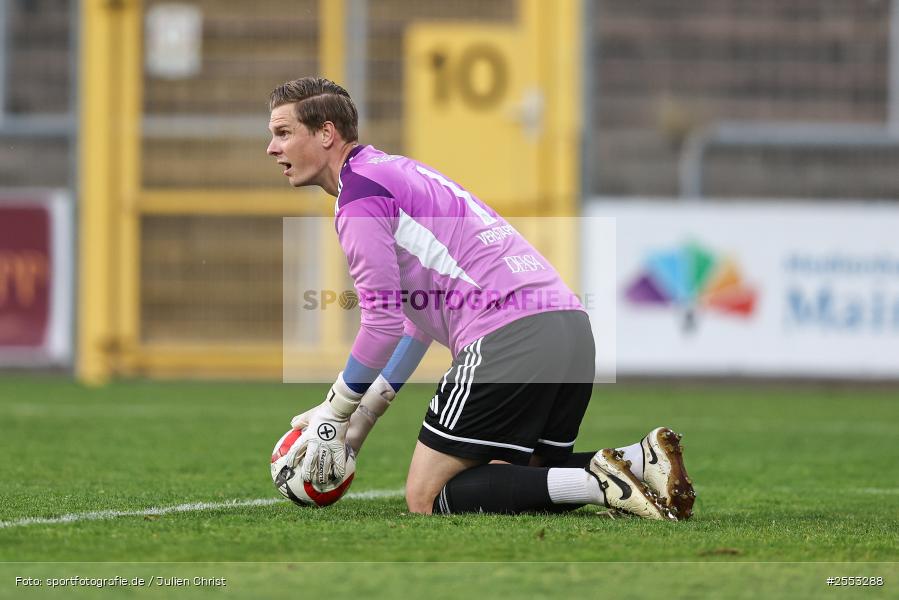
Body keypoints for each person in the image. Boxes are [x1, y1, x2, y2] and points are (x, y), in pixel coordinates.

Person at [267, 77, 694, 520]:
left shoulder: (360, 195)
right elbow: (416, 317)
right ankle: (642, 460)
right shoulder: (394, 171)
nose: (272, 148)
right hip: (569, 327)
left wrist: (335, 411)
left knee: (427, 497)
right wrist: (367, 411)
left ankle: (598, 483)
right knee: (524, 479)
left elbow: (382, 324)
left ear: (326, 133)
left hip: (507, 336)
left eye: (283, 132)